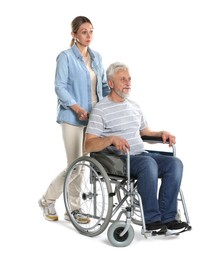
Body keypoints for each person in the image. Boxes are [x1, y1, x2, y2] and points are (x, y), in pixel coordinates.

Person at [84, 62, 190, 234]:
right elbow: (88, 144)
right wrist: (111, 139)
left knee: (174, 163)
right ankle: (152, 221)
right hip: (119, 160)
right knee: (148, 165)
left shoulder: (134, 106)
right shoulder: (100, 109)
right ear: (110, 83)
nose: (128, 83)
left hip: (141, 155)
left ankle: (168, 218)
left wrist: (161, 133)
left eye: (129, 79)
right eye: (123, 79)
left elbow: (145, 133)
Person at [39, 16, 110, 223]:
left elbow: (104, 86)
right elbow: (59, 86)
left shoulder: (97, 57)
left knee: (84, 163)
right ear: (74, 35)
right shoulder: (66, 57)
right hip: (72, 117)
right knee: (76, 165)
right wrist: (76, 107)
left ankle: (74, 209)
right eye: (84, 32)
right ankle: (48, 200)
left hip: (93, 119)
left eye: (91, 31)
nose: (88, 36)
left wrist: (110, 107)